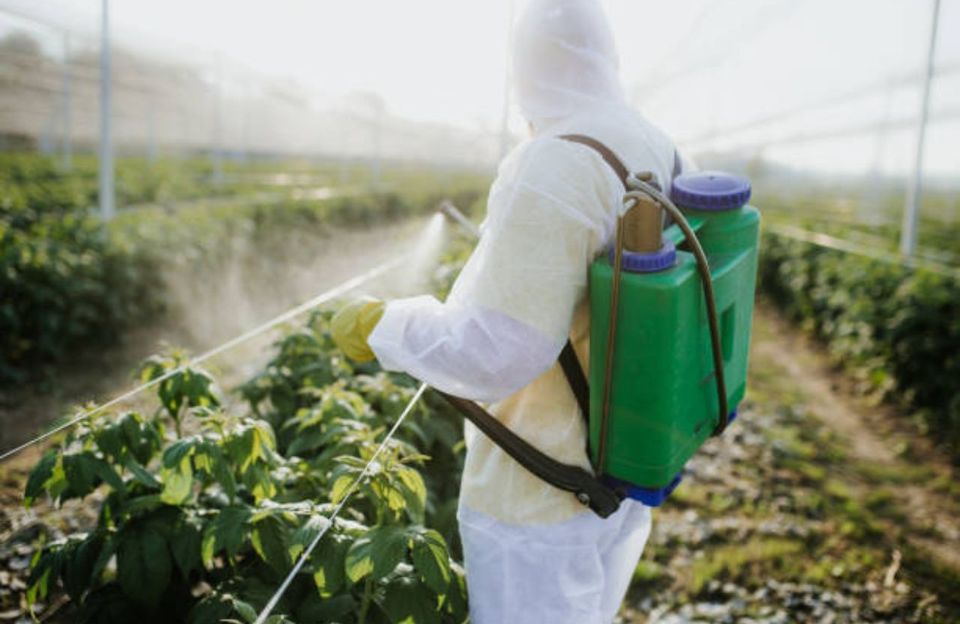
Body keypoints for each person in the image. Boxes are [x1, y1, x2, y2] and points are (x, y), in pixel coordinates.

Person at [332, 0, 690, 621]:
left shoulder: (557, 161)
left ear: (524, 66)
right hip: (622, 461)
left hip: (540, 495)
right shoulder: (655, 143)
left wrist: (384, 326)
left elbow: (498, 351)